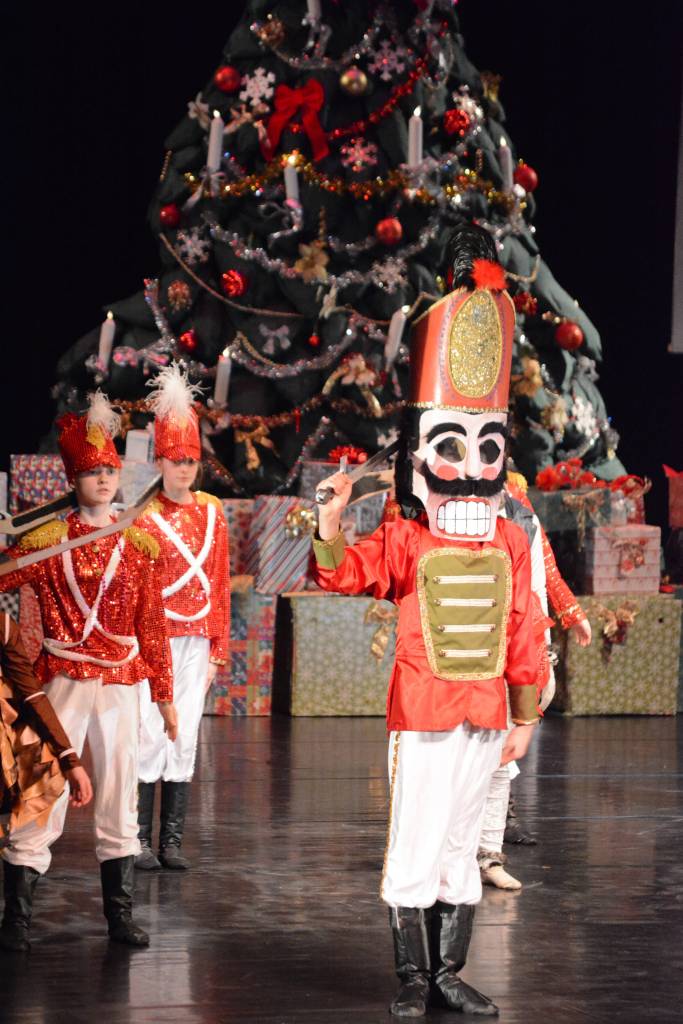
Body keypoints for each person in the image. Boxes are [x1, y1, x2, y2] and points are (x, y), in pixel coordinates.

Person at [312, 227, 540, 1019]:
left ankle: (448, 972)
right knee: (415, 841)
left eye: (489, 447)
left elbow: (524, 628)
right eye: (453, 445)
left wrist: (524, 714)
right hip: (423, 711)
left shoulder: (510, 537)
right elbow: (342, 573)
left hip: (483, 717)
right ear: (416, 459)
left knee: (458, 845)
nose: (474, 466)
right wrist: (332, 522)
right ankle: (413, 976)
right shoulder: (406, 538)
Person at [0, 392, 176, 948]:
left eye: (109, 470)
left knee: (121, 791)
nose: (102, 479)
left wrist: (165, 694)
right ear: (73, 477)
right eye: (91, 471)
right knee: (43, 786)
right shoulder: (47, 542)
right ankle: (17, 918)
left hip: (121, 682)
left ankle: (120, 915)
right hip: (62, 681)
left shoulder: (141, 541)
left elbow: (153, 624)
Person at [477, 471, 593, 889]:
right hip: (483, 638)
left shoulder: (522, 510)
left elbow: (547, 570)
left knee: (503, 755)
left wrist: (572, 614)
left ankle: (489, 854)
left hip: (528, 636)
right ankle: (454, 850)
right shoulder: (458, 510)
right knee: (470, 754)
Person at [135, 364, 230, 871]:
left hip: (197, 640)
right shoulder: (144, 515)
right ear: (160, 461)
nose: (184, 469)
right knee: (150, 731)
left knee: (184, 734)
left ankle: (171, 841)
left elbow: (218, 580)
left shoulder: (213, 511)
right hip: (155, 640)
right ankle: (137, 841)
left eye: (191, 460)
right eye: (175, 460)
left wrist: (219, 647)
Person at [0, 611, 93, 951]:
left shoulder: (3, 625)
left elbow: (32, 694)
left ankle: (14, 922)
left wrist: (69, 759)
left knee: (39, 767)